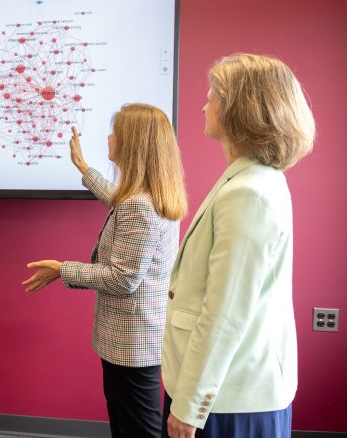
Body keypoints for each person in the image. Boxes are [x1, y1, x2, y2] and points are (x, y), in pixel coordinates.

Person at [162, 53, 316, 438]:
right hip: (226, 387)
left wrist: (189, 406)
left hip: (226, 399)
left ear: (240, 109)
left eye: (213, 95)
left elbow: (225, 312)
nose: (204, 104)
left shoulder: (249, 191)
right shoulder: (251, 179)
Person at [23, 103, 187, 438]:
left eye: (116, 131)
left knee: (135, 431)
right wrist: (85, 168)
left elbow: (123, 278)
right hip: (142, 340)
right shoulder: (151, 195)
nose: (109, 137)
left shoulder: (139, 205)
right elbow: (120, 204)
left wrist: (62, 270)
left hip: (131, 346)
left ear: (133, 144)